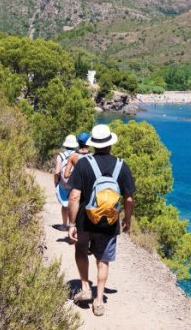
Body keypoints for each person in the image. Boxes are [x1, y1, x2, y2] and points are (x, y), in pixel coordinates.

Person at [67, 124, 136, 316]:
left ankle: (85, 287)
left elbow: (74, 195)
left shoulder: (83, 164)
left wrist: (71, 224)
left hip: (84, 220)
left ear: (94, 144)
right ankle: (98, 301)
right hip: (109, 222)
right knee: (103, 259)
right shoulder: (122, 165)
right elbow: (129, 198)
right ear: (110, 144)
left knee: (80, 250)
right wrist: (127, 220)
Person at [54, 134, 79, 230]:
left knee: (65, 204)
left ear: (65, 145)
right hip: (75, 183)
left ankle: (64, 225)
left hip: (63, 184)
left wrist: (56, 182)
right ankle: (73, 225)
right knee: (74, 203)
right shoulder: (77, 155)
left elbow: (57, 172)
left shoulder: (60, 156)